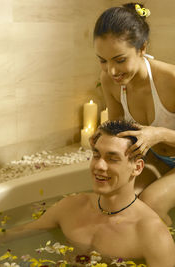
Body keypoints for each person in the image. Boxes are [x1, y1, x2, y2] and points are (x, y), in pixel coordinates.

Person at [0, 120, 174, 267]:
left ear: (137, 168)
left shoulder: (151, 235)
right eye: (96, 155)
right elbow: (11, 235)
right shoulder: (72, 206)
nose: (99, 166)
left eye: (112, 159)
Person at [93, 2, 175, 225]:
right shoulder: (109, 80)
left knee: (151, 203)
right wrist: (103, 136)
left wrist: (158, 134)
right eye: (102, 60)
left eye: (120, 60)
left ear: (142, 49)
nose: (111, 71)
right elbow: (117, 128)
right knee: (117, 201)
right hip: (156, 159)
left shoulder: (171, 80)